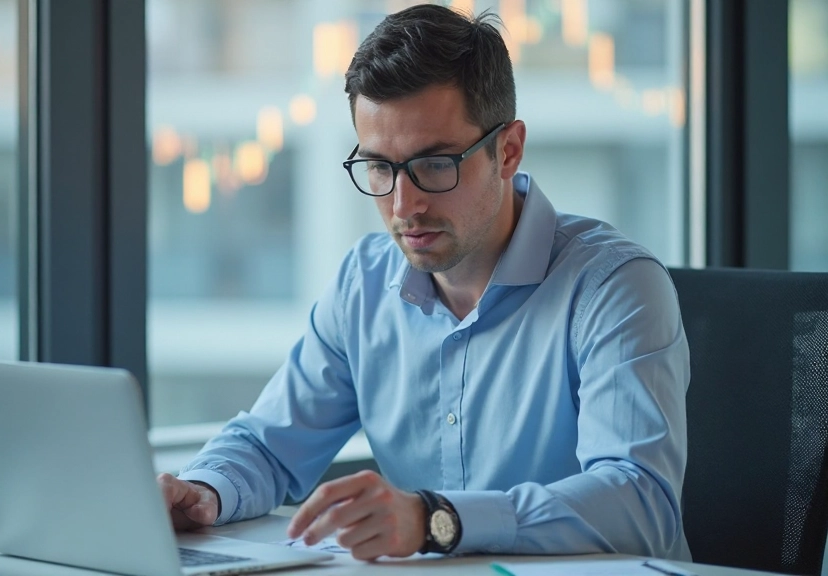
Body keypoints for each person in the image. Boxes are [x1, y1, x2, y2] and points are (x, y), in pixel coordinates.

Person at [158, 3, 690, 562]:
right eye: (380, 167)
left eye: (435, 165)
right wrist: (204, 492)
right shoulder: (364, 285)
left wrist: (436, 520)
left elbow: (639, 503)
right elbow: (269, 446)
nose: (403, 206)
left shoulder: (614, 288)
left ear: (507, 151)